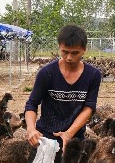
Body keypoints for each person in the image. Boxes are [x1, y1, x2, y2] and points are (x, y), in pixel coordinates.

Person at [23, 24, 102, 152]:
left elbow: (89, 108)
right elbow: (32, 104)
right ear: (59, 47)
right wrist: (31, 129)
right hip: (45, 139)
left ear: (84, 50)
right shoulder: (47, 73)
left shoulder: (92, 75)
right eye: (65, 52)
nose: (69, 58)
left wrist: (69, 134)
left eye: (75, 53)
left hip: (74, 139)